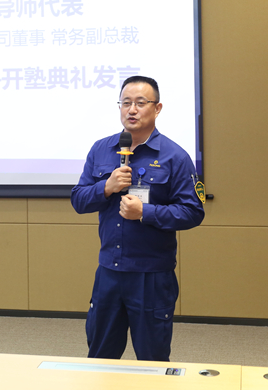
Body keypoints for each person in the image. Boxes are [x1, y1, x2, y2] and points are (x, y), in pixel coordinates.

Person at [70, 75, 205, 362]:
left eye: (141, 103)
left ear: (157, 108)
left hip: (151, 276)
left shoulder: (175, 157)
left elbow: (193, 211)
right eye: (126, 103)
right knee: (100, 358)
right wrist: (106, 187)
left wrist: (146, 212)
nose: (132, 110)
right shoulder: (101, 149)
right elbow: (78, 200)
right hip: (109, 273)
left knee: (152, 361)